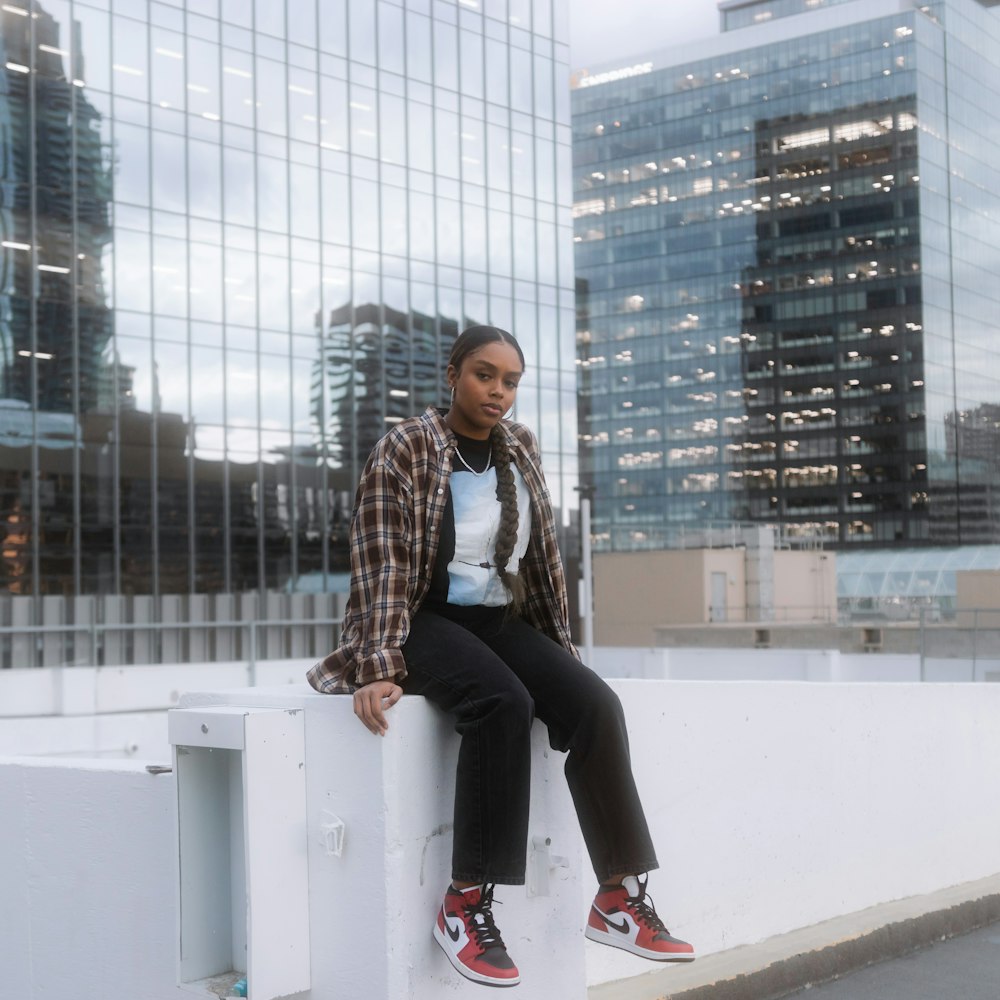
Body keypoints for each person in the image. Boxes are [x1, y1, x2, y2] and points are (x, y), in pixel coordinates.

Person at [307, 325, 695, 988]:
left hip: (499, 617)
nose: (498, 391)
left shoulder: (519, 447)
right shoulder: (407, 445)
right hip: (419, 621)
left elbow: (541, 559)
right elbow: (381, 562)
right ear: (454, 372)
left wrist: (561, 660)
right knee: (501, 702)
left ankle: (619, 898)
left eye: (511, 381)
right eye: (485, 375)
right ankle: (466, 903)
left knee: (595, 703)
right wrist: (376, 663)